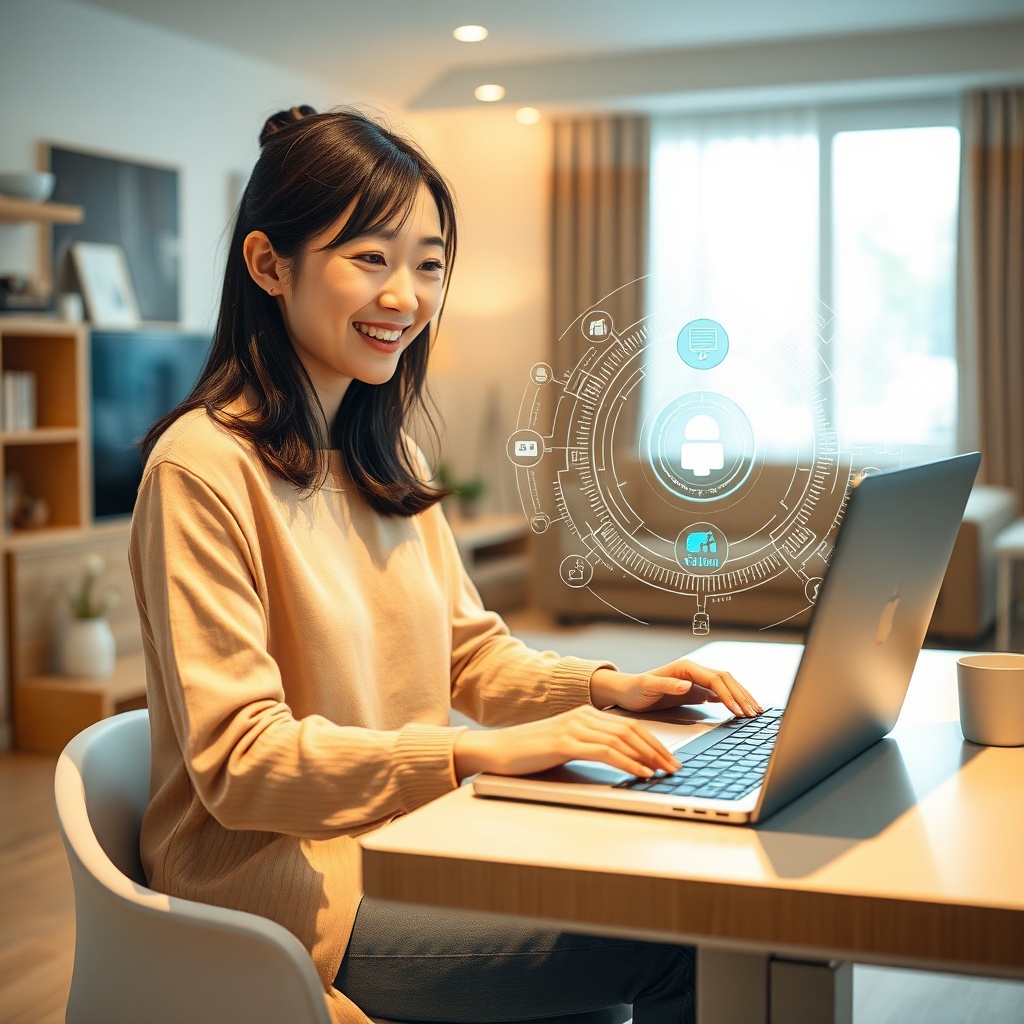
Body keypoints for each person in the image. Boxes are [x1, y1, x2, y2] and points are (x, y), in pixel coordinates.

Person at [130, 105, 762, 1024]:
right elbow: (241, 762)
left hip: (421, 842)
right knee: (686, 937)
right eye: (370, 258)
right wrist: (471, 749)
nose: (406, 297)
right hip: (290, 895)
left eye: (427, 265)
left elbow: (469, 657)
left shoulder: (393, 465)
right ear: (269, 265)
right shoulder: (202, 468)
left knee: (676, 883)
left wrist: (606, 689)